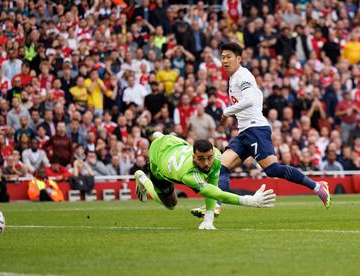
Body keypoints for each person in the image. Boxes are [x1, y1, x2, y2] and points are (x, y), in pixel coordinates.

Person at [191, 42, 330, 218]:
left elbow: (249, 99)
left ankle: (318, 186)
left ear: (238, 58)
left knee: (272, 170)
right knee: (220, 166)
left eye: (229, 57)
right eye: (223, 57)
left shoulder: (243, 76)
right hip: (244, 132)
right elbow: (255, 96)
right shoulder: (234, 78)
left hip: (255, 129)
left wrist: (227, 111)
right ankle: (215, 206)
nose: (225, 60)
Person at [134, 133, 276, 230]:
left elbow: (213, 183)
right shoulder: (188, 174)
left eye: (209, 157)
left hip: (174, 142)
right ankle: (142, 177)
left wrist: (208, 219)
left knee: (162, 137)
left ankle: (159, 135)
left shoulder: (217, 156)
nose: (207, 163)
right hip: (159, 158)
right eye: (201, 159)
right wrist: (250, 201)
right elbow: (216, 193)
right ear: (193, 157)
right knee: (171, 204)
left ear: (213, 153)